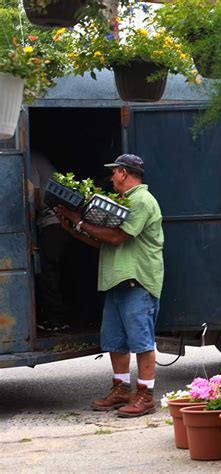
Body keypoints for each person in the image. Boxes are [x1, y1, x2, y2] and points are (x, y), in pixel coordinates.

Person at [55, 154, 164, 418]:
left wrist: (79, 220)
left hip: (137, 281)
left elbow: (117, 237)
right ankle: (121, 388)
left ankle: (146, 396)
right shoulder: (126, 201)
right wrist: (72, 228)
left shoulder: (141, 200)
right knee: (115, 341)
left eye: (114, 173)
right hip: (117, 281)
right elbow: (103, 242)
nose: (112, 178)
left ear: (124, 173)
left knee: (142, 342)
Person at [30, 151, 70, 331]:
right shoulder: (40, 159)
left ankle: (56, 321)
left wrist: (27, 223)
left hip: (53, 223)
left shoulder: (29, 159)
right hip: (58, 222)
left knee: (48, 272)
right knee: (54, 271)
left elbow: (34, 195)